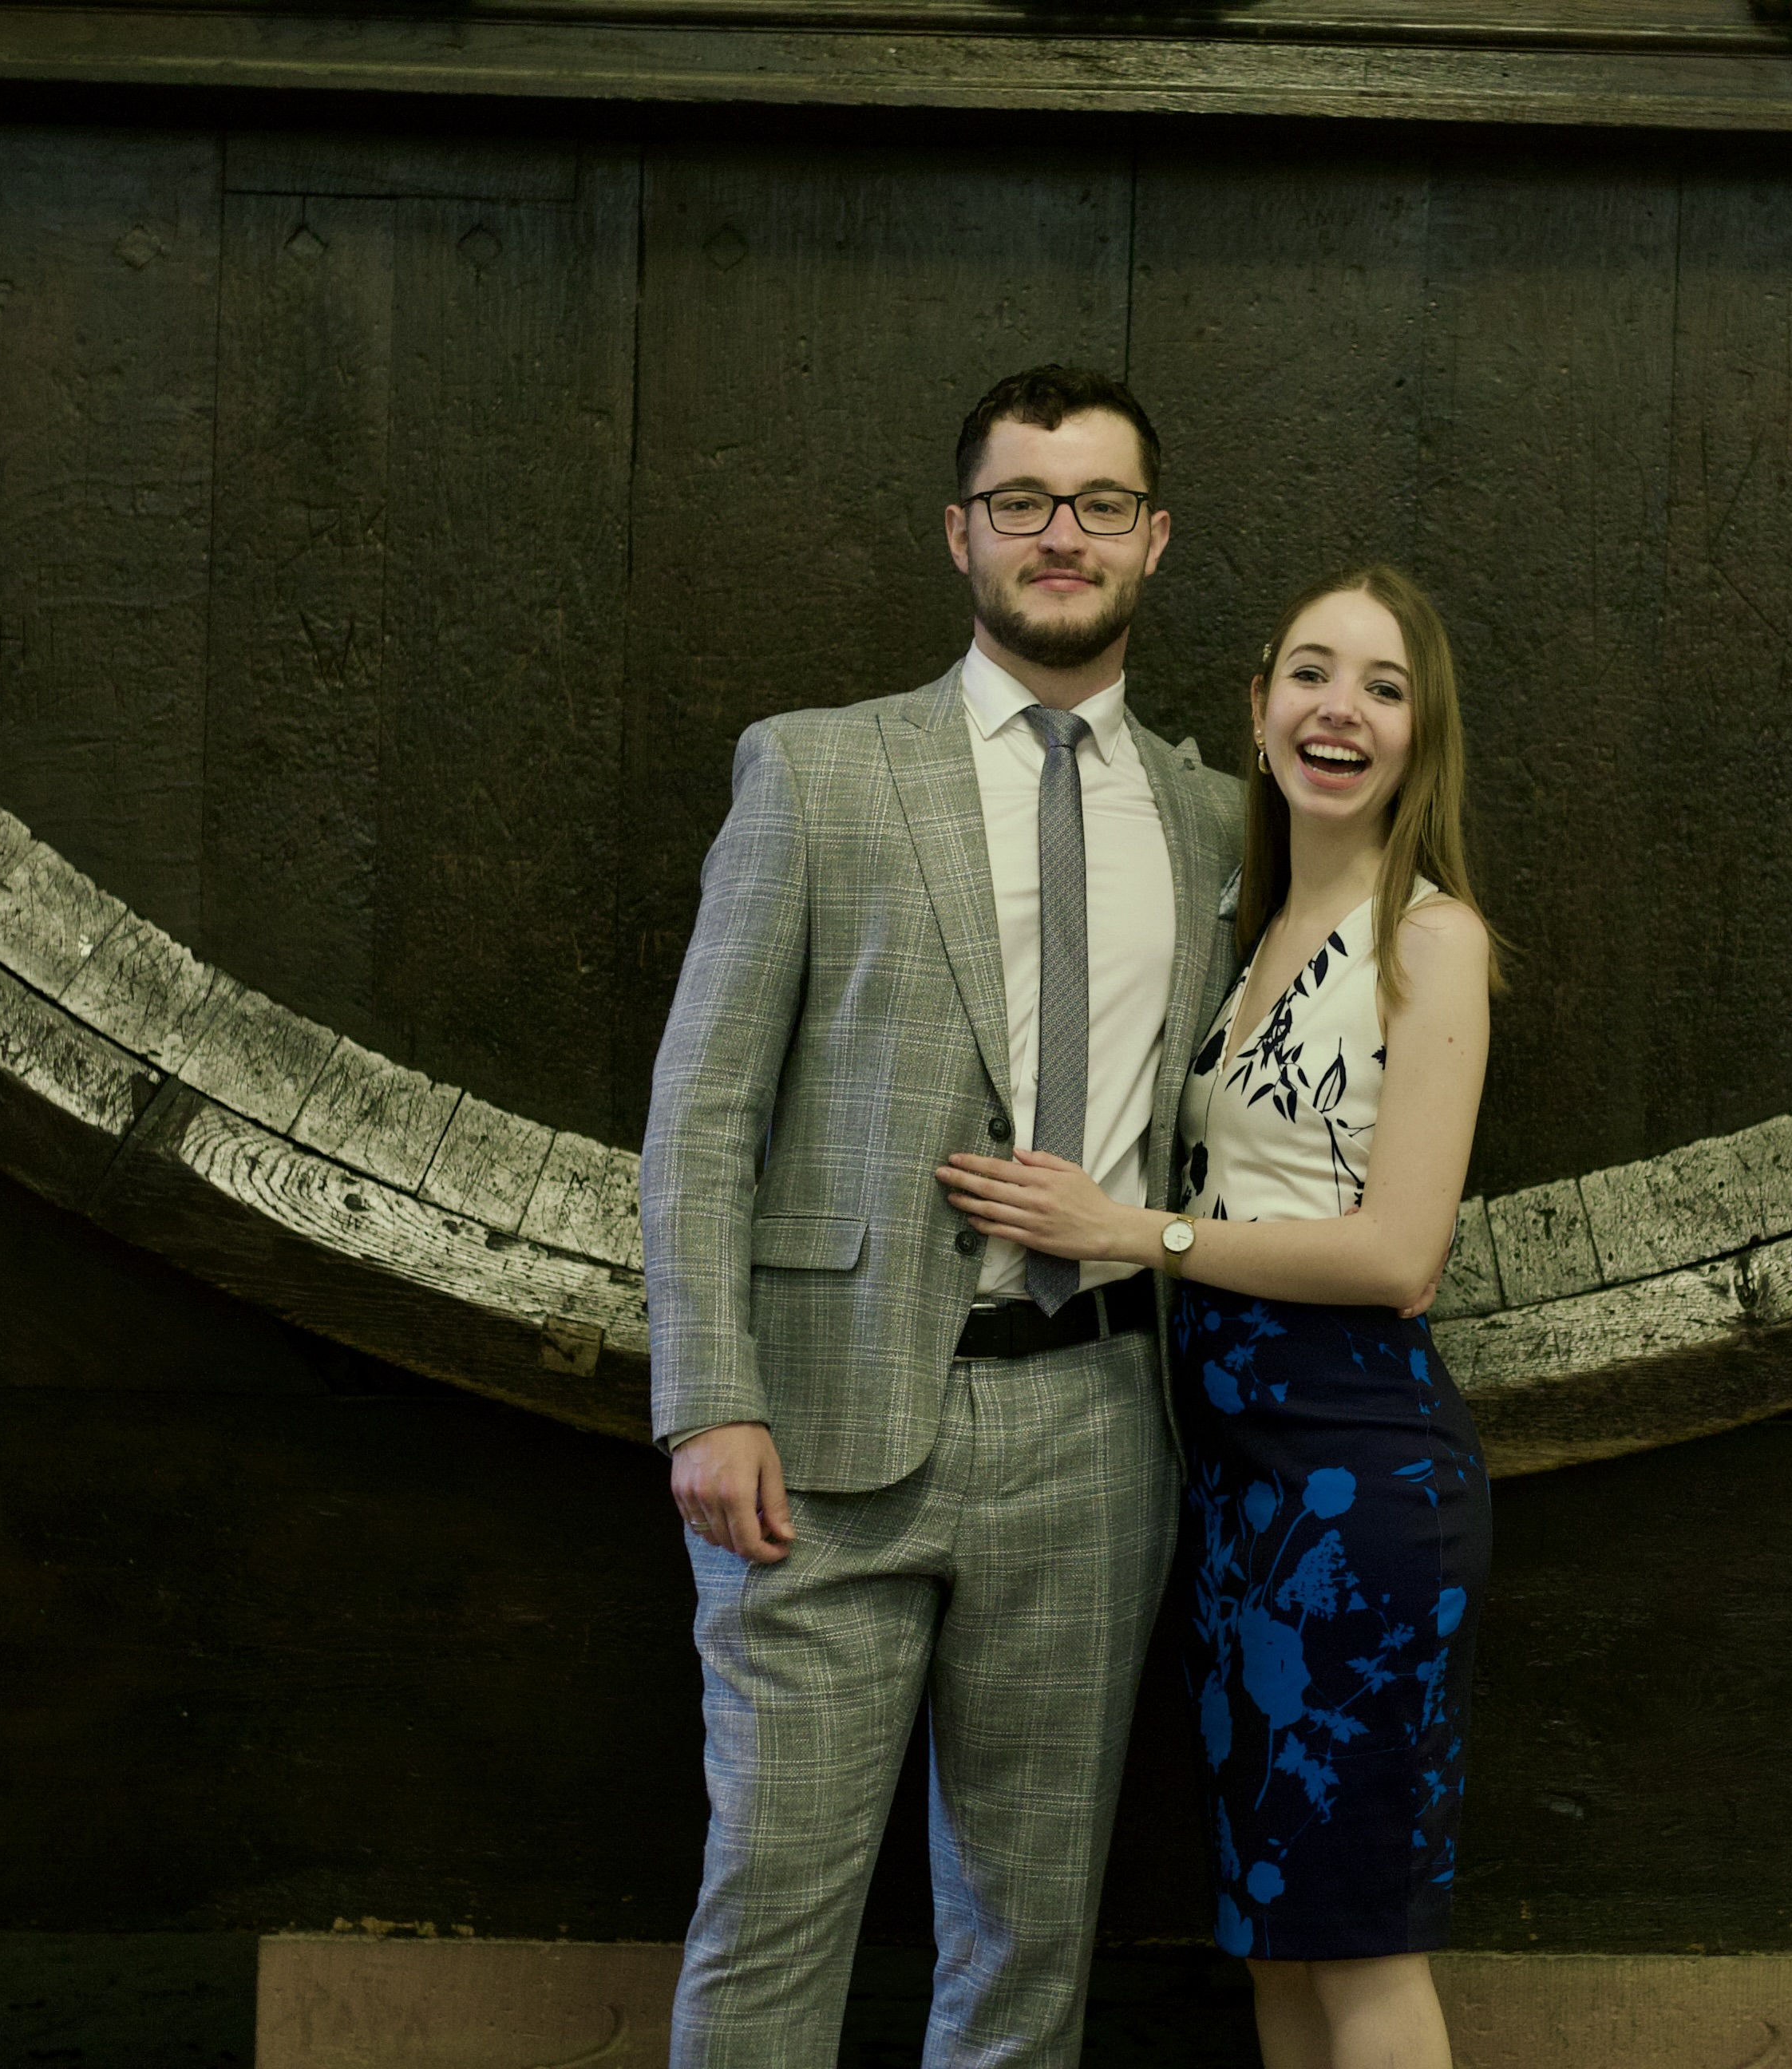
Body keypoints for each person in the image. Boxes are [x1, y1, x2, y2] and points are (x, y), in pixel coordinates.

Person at [643, 364, 1243, 2069]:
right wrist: (709, 1398)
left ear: (1155, 540)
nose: (1064, 535)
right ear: (960, 534)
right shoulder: (819, 771)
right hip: (819, 1431)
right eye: (1024, 502)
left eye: (1101, 504)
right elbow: (703, 1111)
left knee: (1027, 1942)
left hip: (1099, 1431)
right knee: (772, 1912)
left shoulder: (1215, 815)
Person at [937, 564, 1501, 2069]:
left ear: (1422, 736)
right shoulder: (1250, 933)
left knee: (1362, 1951)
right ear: (1258, 711)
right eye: (1312, 673)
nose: (1341, 710)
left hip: (1362, 1479)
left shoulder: (1430, 938)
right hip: (1238, 1490)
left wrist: (1131, 1235)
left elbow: (1400, 1253)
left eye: (1384, 687)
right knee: (1276, 1945)